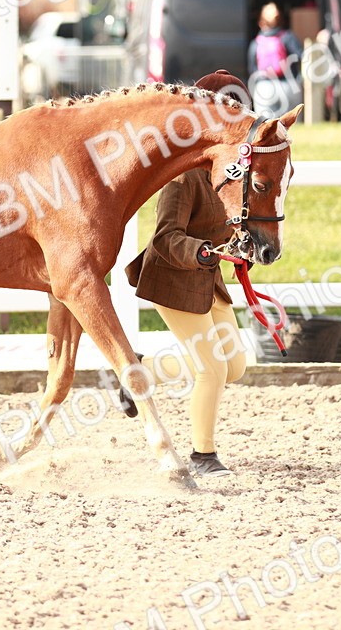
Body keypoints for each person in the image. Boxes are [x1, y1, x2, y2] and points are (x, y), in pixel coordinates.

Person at [124, 69, 254, 478]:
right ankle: (203, 456)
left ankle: (140, 373)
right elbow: (165, 238)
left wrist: (241, 244)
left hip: (208, 279)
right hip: (174, 278)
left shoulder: (229, 168)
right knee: (210, 370)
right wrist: (202, 251)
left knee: (235, 366)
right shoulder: (182, 175)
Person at [247, 3, 303, 114]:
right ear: (280, 20)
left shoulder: (256, 43)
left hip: (264, 89)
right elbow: (302, 57)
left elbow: (252, 69)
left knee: (267, 128)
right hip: (288, 86)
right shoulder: (288, 37)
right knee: (290, 127)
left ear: (261, 22)